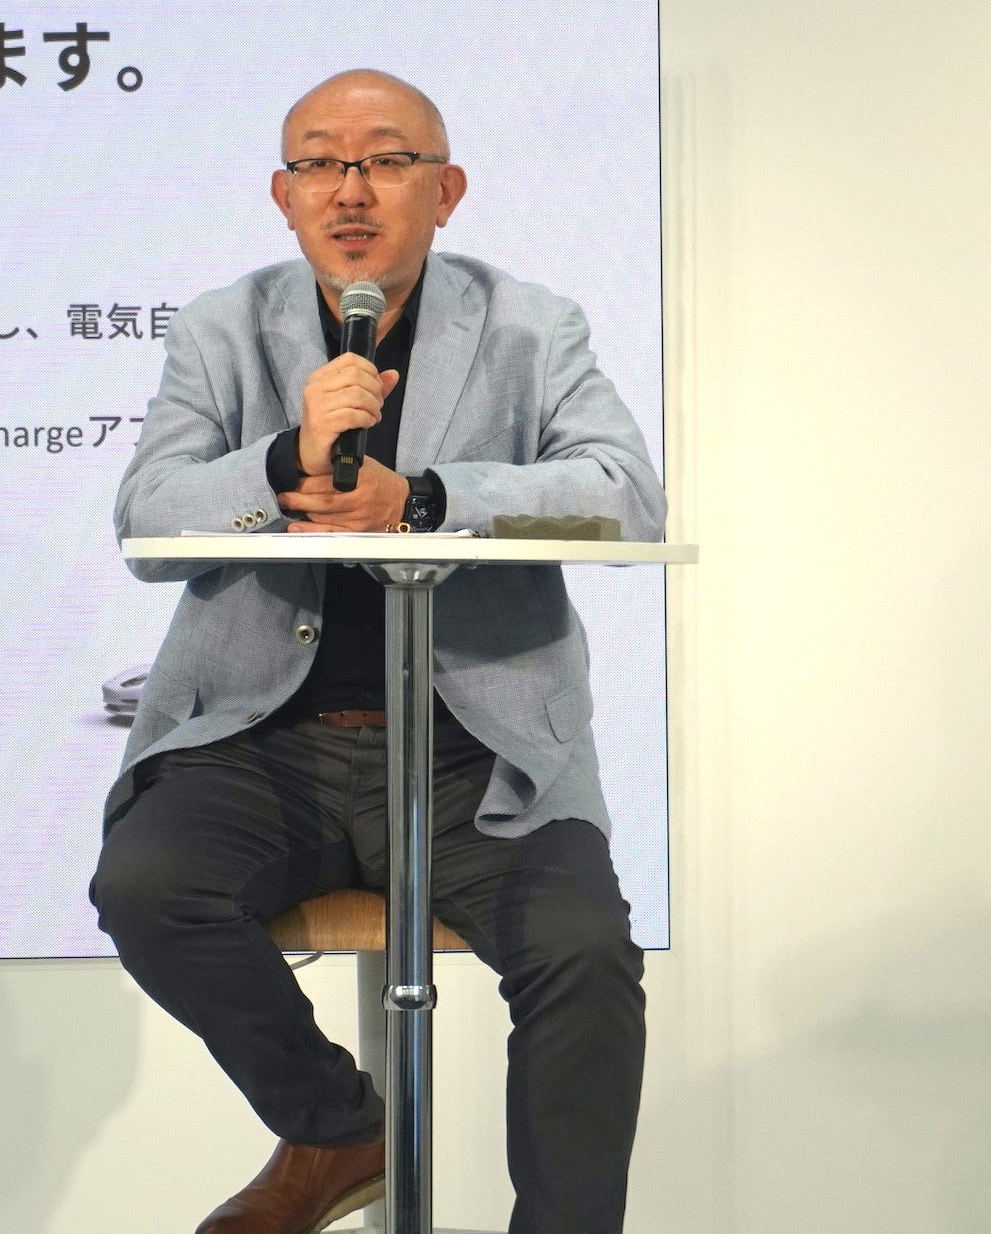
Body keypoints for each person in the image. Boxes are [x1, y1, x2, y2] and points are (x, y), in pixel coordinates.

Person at [94, 69, 666, 1234]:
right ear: (284, 194)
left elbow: (624, 501)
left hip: (474, 753)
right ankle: (335, 1128)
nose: (349, 190)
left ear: (444, 191)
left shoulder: (529, 325)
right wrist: (280, 460)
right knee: (147, 886)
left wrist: (429, 500)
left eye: (386, 160)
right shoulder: (222, 327)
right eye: (319, 162)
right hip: (261, 739)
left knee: (584, 952)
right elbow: (147, 522)